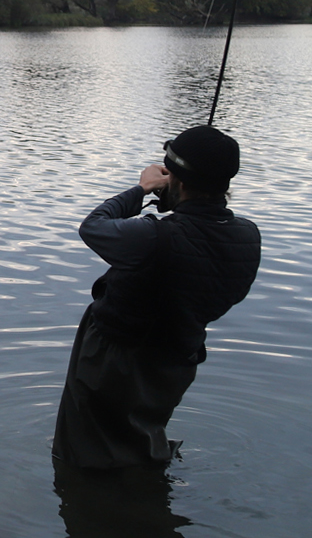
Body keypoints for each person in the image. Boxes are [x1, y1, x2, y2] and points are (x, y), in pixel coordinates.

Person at [53, 125, 261, 469]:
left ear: (176, 181)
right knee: (140, 437)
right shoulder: (247, 236)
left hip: (113, 360)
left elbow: (93, 227)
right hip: (176, 361)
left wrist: (142, 189)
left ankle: (104, 506)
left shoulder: (153, 237)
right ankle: (145, 497)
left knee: (84, 452)